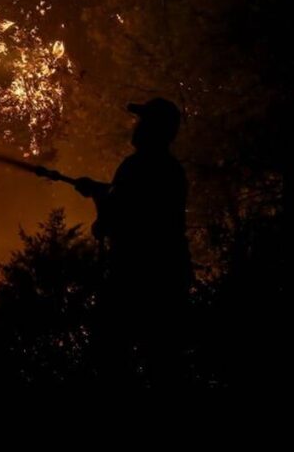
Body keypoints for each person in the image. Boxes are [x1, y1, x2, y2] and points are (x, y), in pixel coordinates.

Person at [73, 97, 193, 385]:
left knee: (114, 358)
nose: (136, 127)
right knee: (164, 361)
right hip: (169, 275)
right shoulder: (170, 168)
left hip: (134, 277)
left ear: (155, 129)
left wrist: (99, 197)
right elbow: (136, 201)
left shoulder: (136, 166)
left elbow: (116, 219)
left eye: (143, 122)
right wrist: (101, 190)